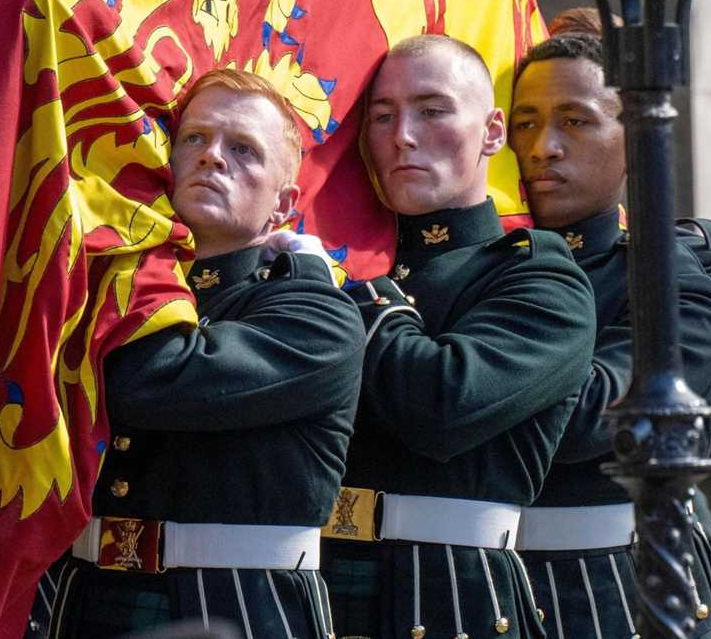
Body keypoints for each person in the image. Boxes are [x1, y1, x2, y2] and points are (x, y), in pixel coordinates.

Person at [47, 69, 364, 638]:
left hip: (240, 603)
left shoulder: (318, 314)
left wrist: (138, 247)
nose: (213, 157)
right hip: (89, 594)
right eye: (194, 138)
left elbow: (153, 378)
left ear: (283, 204)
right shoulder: (99, 287)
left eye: (243, 150)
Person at [322, 34, 596, 639]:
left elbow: (444, 405)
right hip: (318, 587)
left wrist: (365, 303)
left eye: (433, 110)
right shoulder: (356, 266)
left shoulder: (537, 276)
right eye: (382, 116)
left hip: (449, 595)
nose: (403, 136)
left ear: (493, 132)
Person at [508, 30, 711, 638]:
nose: (543, 148)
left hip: (629, 588)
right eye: (525, 122)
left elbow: (597, 421)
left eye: (576, 121)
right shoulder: (489, 268)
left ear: (638, 139)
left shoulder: (693, 267)